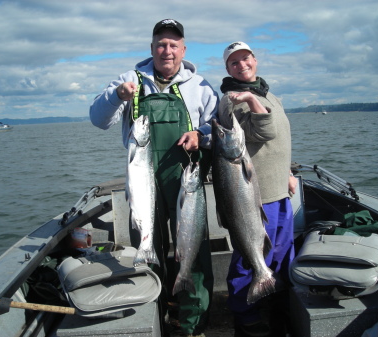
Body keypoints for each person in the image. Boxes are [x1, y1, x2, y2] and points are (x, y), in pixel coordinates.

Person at [89, 19, 218, 337]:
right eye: (161, 43)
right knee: (147, 247)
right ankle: (153, 315)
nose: (167, 50)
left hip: (185, 176)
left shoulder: (200, 86)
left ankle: (192, 323)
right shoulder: (130, 80)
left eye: (174, 44)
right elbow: (97, 119)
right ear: (151, 48)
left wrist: (200, 135)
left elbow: (219, 127)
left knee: (193, 250)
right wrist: (117, 95)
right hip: (143, 179)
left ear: (183, 49)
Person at [218, 41, 297, 337]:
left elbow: (279, 140)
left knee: (280, 252)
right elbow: (264, 131)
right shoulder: (231, 100)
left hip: (279, 189)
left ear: (255, 59)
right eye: (234, 63)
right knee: (249, 254)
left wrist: (288, 171)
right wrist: (250, 99)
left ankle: (273, 298)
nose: (242, 65)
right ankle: (244, 311)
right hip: (254, 195)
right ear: (227, 69)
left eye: (245, 58)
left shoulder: (269, 94)